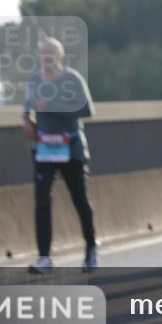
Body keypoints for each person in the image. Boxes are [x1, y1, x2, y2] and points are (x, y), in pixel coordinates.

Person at [23, 37, 99, 274]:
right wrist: (26, 120)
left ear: (61, 56)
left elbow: (87, 110)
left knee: (79, 199)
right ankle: (44, 257)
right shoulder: (34, 80)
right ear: (39, 56)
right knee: (42, 199)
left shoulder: (72, 79)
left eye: (52, 54)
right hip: (45, 148)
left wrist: (52, 105)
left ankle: (91, 248)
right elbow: (28, 108)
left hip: (71, 147)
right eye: (44, 54)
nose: (48, 58)